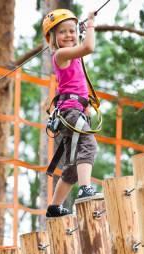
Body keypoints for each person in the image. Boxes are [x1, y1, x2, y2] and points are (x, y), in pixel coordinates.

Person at [42, 9, 101, 218]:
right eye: (62, 32)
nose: (68, 35)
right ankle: (85, 189)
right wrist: (91, 24)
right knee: (89, 145)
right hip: (70, 113)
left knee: (74, 165)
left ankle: (54, 206)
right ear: (52, 38)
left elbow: (74, 84)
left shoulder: (71, 55)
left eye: (72, 31)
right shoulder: (60, 55)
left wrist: (85, 106)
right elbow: (89, 47)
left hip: (73, 112)